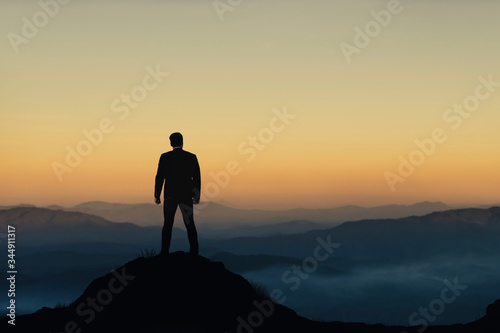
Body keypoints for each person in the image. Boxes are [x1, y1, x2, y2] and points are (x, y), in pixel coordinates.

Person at [154, 132, 201, 255]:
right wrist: (196, 195)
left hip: (170, 195)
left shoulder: (164, 157)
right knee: (190, 224)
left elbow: (159, 177)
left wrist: (157, 194)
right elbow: (196, 177)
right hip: (186, 195)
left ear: (171, 143)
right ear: (182, 142)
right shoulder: (191, 157)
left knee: (168, 224)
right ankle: (194, 252)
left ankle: (164, 252)